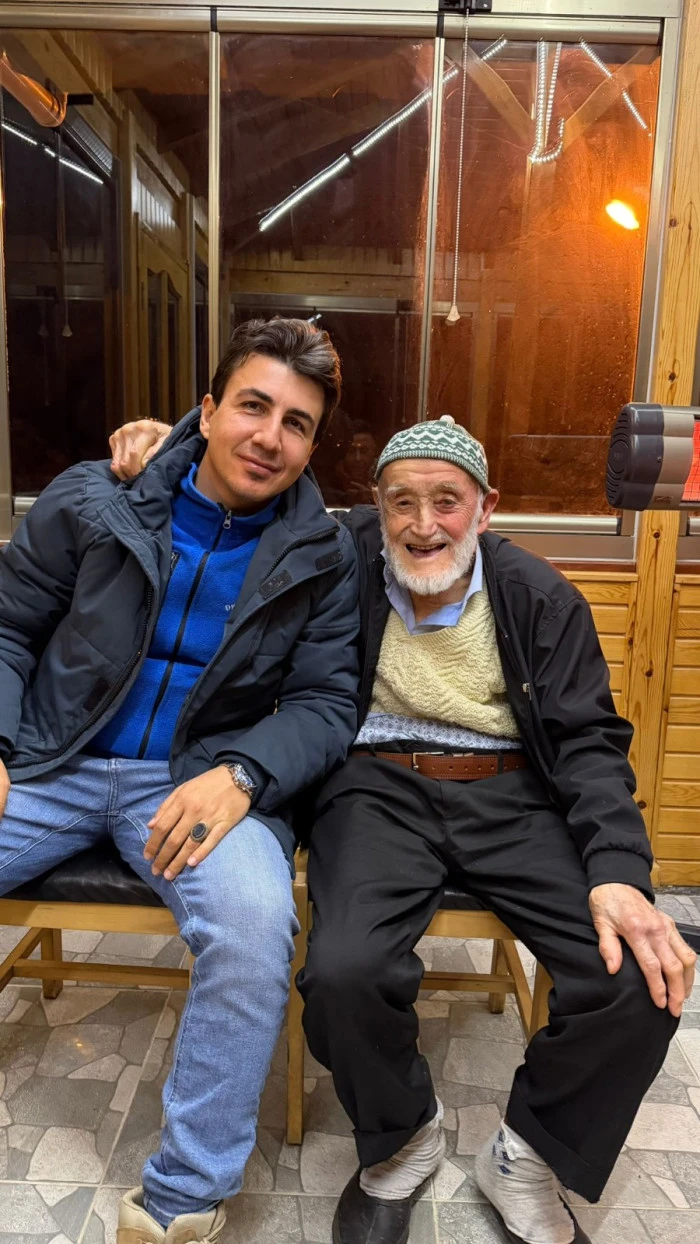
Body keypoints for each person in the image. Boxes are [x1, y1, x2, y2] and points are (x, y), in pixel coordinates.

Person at [110, 412, 696, 1244]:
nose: (424, 525)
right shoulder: (344, 557)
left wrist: (619, 874)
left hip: (513, 791)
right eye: (401, 502)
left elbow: (589, 744)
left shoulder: (540, 596)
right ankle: (403, 1136)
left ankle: (527, 1154)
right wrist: (168, 446)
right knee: (342, 973)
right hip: (374, 786)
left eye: (447, 501)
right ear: (375, 508)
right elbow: (256, 487)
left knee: (638, 977)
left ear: (486, 508)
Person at [0, 318, 359, 1244]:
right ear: (206, 410)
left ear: (312, 445)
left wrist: (244, 773)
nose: (268, 436)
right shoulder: (97, 498)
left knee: (252, 926)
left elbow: (325, 704)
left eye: (296, 423)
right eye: (252, 406)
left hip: (192, 782)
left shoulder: (324, 556)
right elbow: (7, 624)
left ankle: (180, 1201)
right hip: (51, 757)